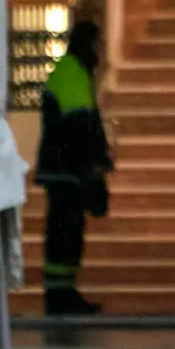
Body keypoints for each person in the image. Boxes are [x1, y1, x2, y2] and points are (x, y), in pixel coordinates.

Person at [34, 20, 112, 316]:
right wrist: (96, 159)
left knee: (66, 234)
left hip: (64, 170)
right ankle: (60, 298)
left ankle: (63, 294)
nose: (101, 52)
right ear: (89, 45)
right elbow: (80, 123)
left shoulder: (72, 71)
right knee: (64, 235)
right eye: (99, 45)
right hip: (66, 170)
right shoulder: (72, 73)